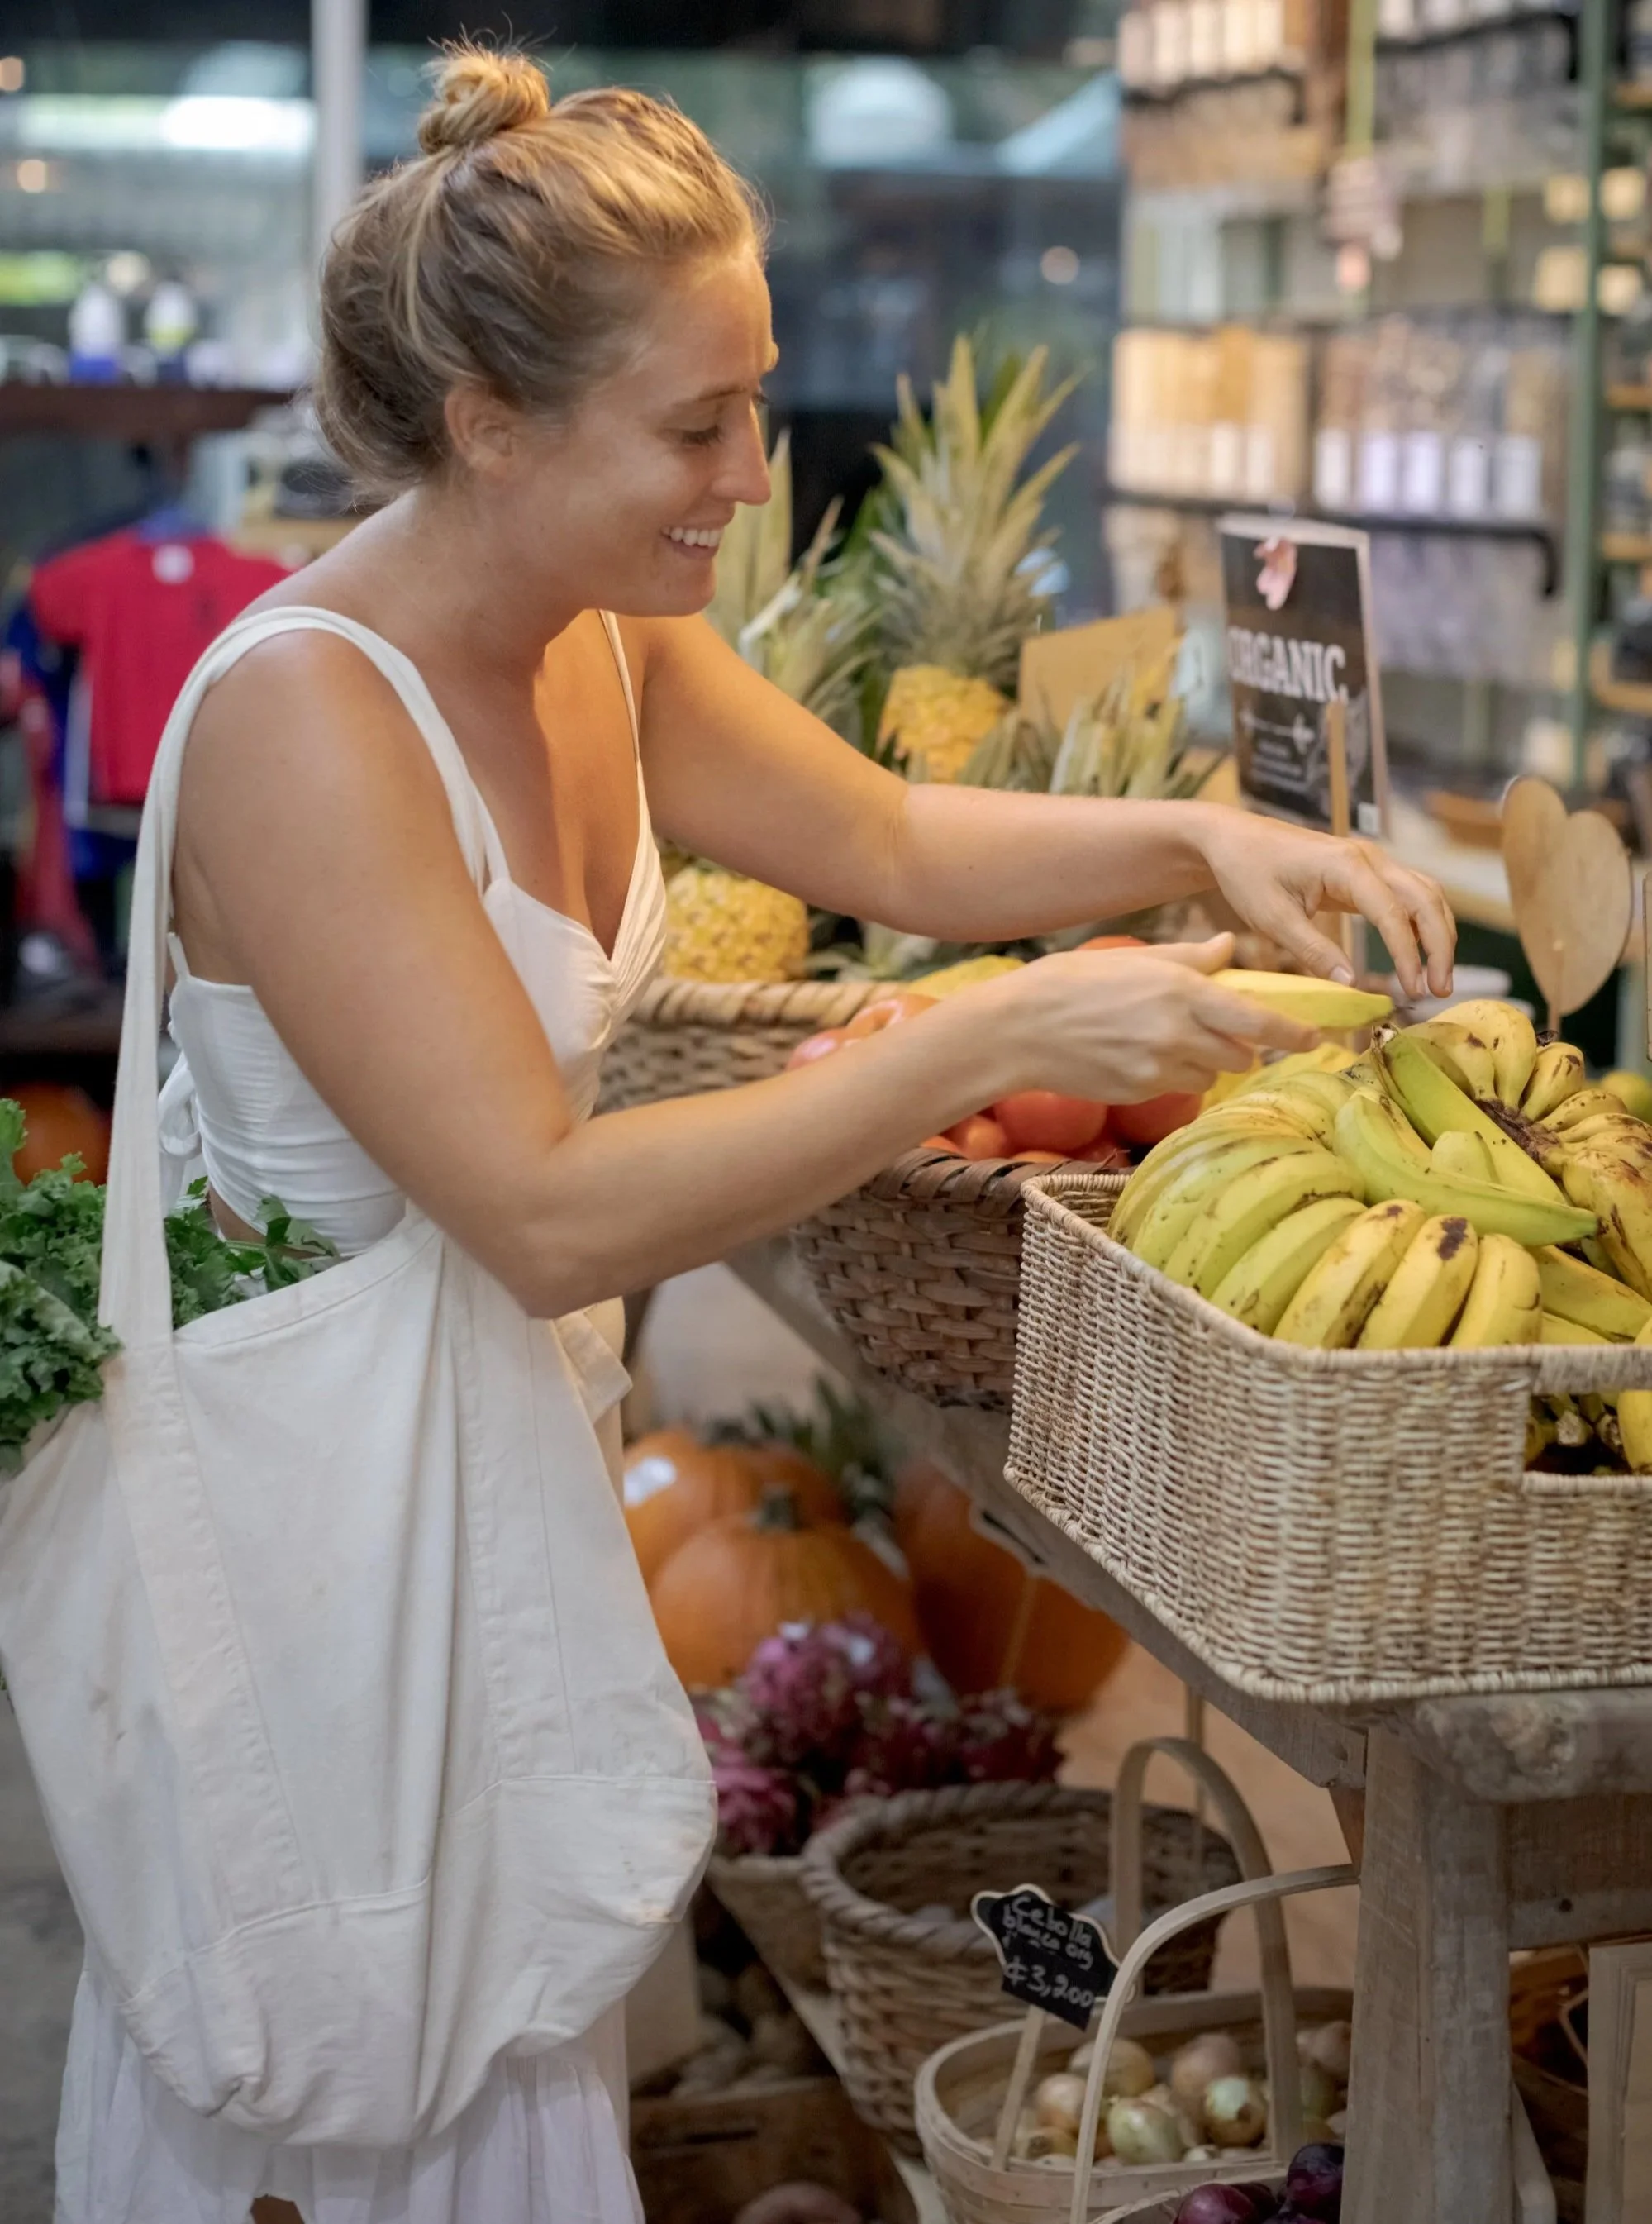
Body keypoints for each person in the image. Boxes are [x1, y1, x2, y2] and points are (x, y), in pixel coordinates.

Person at [55, 45, 1454, 2224]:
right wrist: (982, 1033)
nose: (744, 471)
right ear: (488, 425)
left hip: (493, 1477)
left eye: (755, 395)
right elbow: (531, 1205)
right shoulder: (308, 723)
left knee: (503, 2072)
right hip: (325, 1535)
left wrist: (1193, 830)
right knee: (349, 2097)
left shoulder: (601, 637)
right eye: (692, 425)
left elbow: (885, 831)